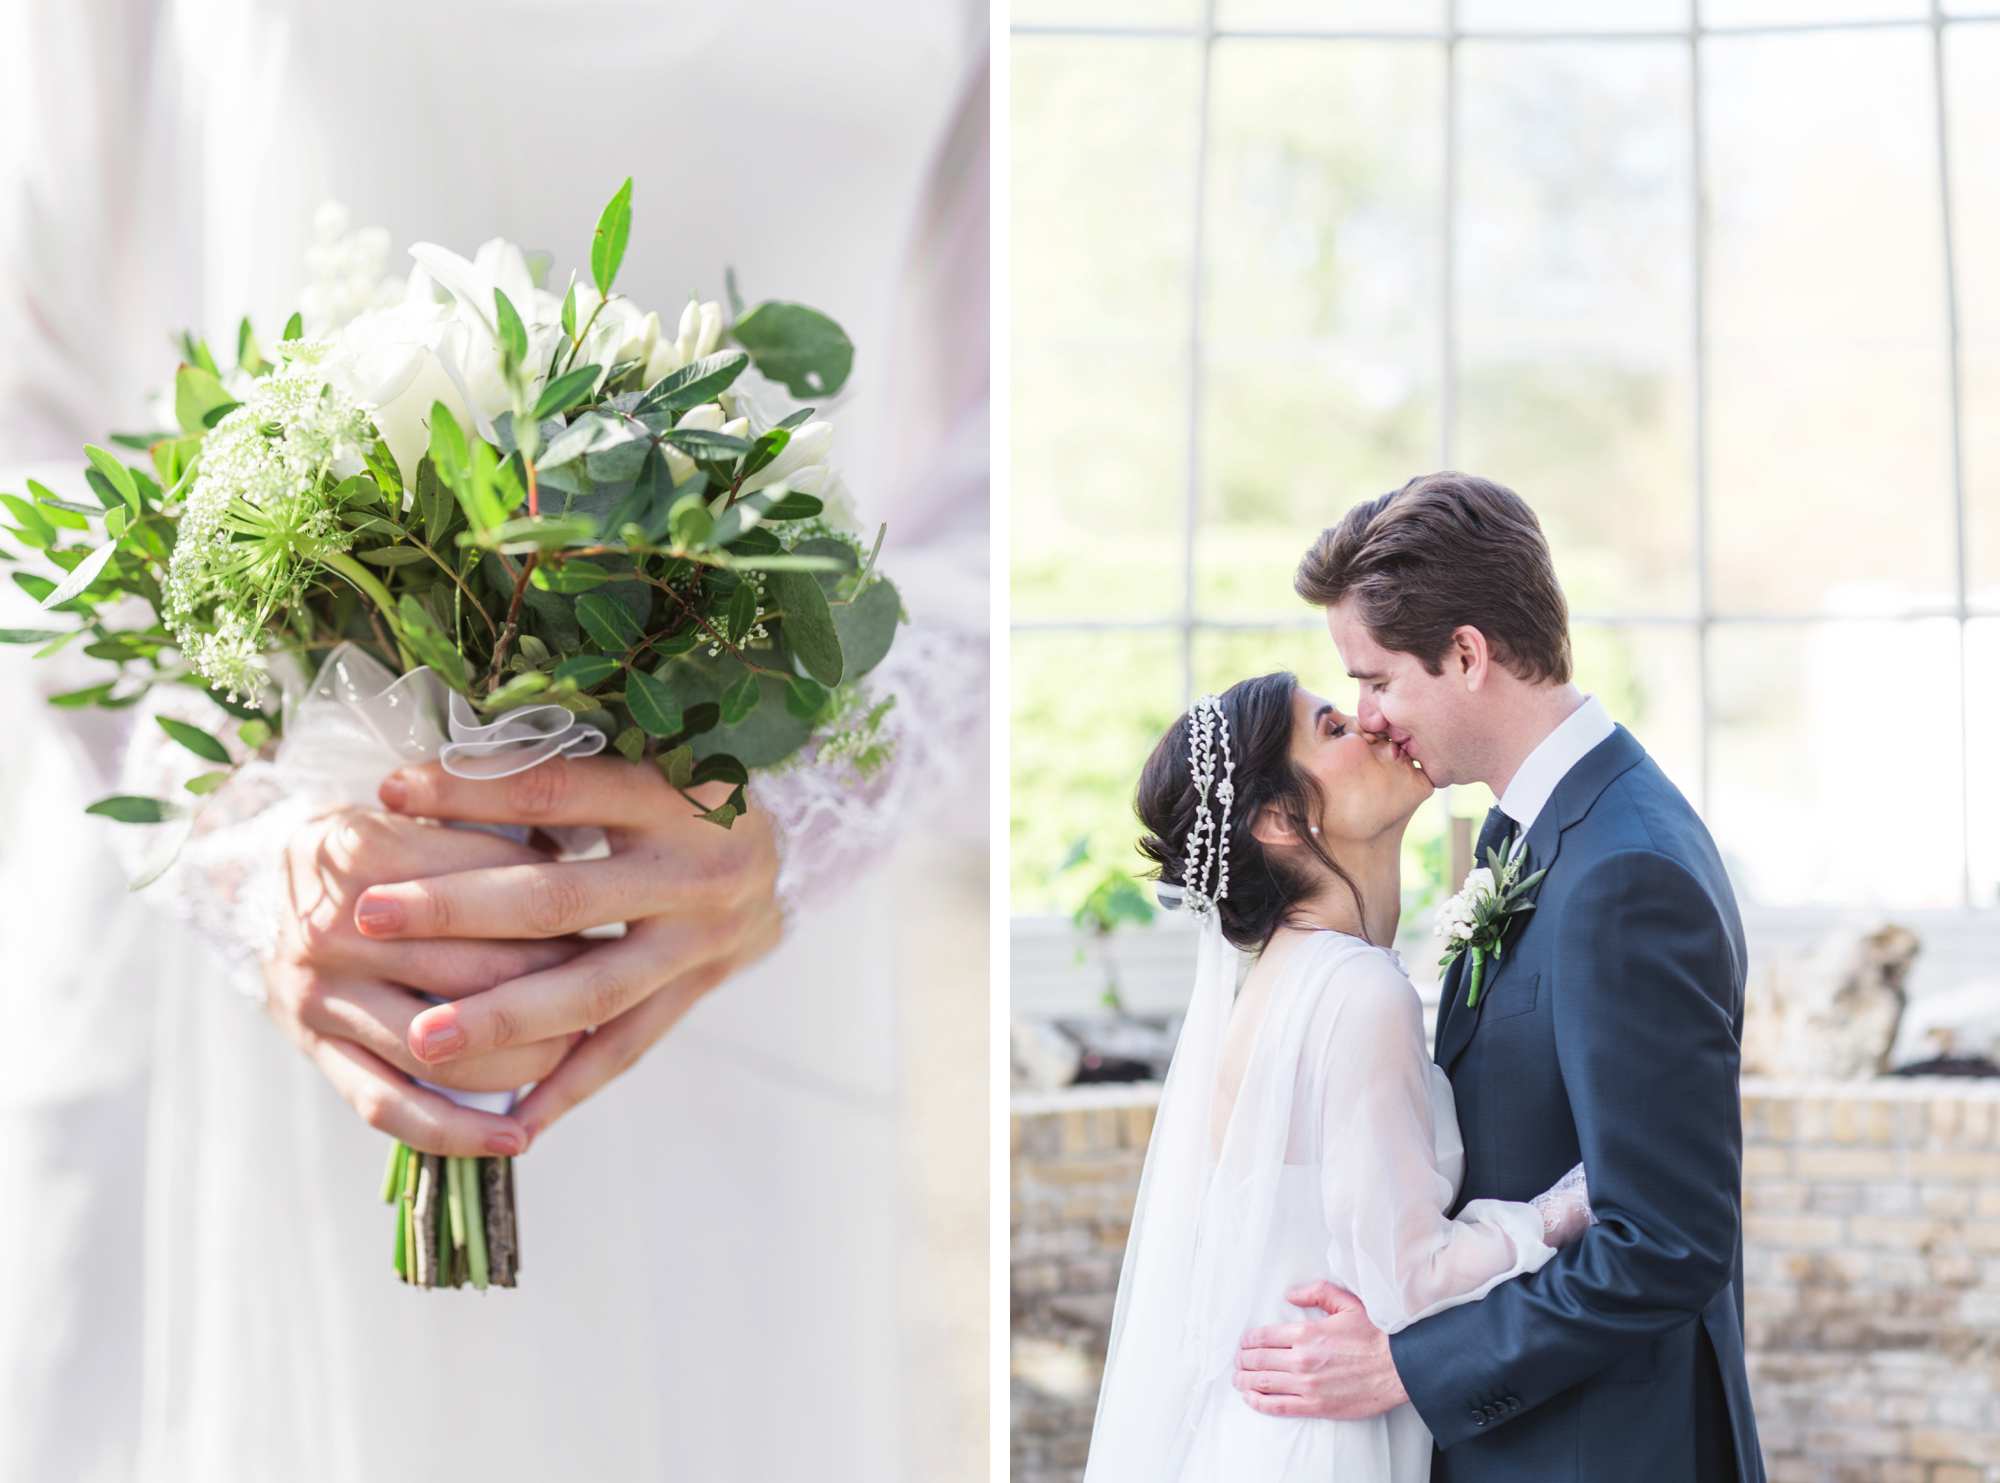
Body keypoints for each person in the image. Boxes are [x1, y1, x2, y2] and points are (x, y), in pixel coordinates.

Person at [0, 3, 986, 1478]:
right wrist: (231, 827)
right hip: (263, 948)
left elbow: (997, 451)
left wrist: (815, 792)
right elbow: (29, 380)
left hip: (745, 969)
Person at [1229, 472, 1763, 1483]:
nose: (1368, 716)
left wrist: (1404, 1365)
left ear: (1465, 654)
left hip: (1599, 1451)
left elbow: (1664, 1242)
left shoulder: (1623, 873)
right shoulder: (1534, 829)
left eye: (1376, 680)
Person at [1082, 671, 1596, 1481]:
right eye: (1330, 727)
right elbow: (1412, 1282)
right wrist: (1570, 1204)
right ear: (1284, 819)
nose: (1370, 720)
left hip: (1259, 1430)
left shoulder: (1281, 982)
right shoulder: (1356, 990)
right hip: (1315, 1446)